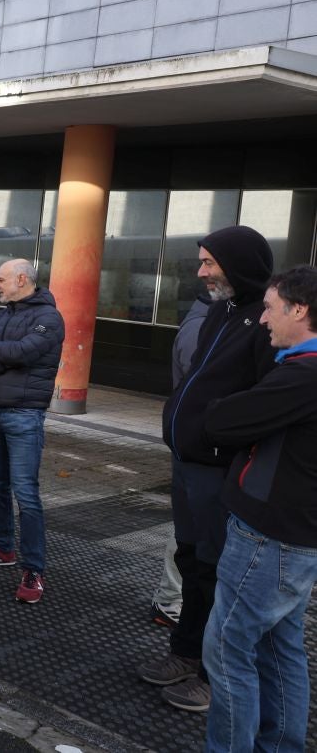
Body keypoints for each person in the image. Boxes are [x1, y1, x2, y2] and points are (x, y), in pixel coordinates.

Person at [139, 225, 274, 713]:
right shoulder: (221, 311)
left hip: (221, 471)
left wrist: (218, 436)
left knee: (218, 573)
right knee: (192, 563)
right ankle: (185, 653)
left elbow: (263, 403)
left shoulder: (266, 320)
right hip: (188, 464)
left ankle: (215, 677)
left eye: (209, 263)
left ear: (236, 265)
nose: (200, 272)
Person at [200, 265, 317, 752]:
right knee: (279, 648)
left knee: (226, 650)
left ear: (299, 309)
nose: (263, 319)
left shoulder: (303, 375)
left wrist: (220, 402)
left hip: (268, 540)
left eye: (270, 309)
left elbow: (223, 420)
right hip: (293, 539)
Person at [0, 259, 64, 605]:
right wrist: (6, 357)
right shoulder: (1, 315)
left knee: (26, 492)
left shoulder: (49, 319)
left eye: (0, 279)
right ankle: (3, 549)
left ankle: (34, 569)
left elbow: (23, 352)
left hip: (24, 416)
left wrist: (2, 354)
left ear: (22, 280)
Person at [152, 291, 210, 629]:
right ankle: (170, 600)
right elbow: (200, 390)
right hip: (196, 448)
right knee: (188, 529)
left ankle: (174, 600)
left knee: (194, 528)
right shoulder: (201, 326)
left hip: (201, 447)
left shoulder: (216, 322)